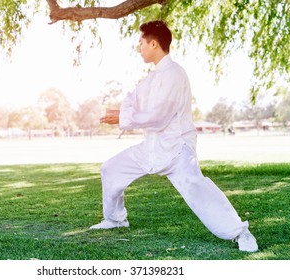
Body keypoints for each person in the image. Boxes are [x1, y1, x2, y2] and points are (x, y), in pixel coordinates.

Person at [90, 20, 258, 253]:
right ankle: (116, 219)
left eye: (141, 43)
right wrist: (121, 113)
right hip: (151, 147)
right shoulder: (150, 79)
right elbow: (133, 99)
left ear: (154, 43)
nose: (139, 47)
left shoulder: (175, 74)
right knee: (111, 169)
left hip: (177, 148)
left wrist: (123, 117)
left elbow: (159, 115)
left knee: (196, 186)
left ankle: (240, 232)